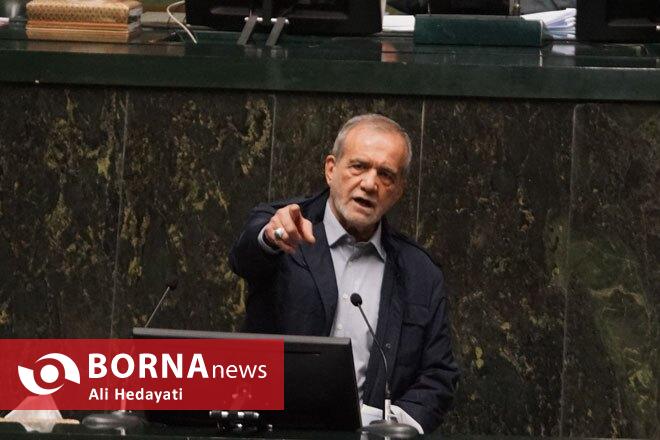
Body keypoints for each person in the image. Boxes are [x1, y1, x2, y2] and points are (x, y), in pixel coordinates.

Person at [229, 114, 459, 433]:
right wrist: (271, 237)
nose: (369, 184)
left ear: (399, 190)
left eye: (385, 175)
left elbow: (439, 375)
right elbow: (245, 257)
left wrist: (389, 427)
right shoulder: (286, 226)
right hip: (274, 431)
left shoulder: (420, 273)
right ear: (331, 169)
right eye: (359, 166)